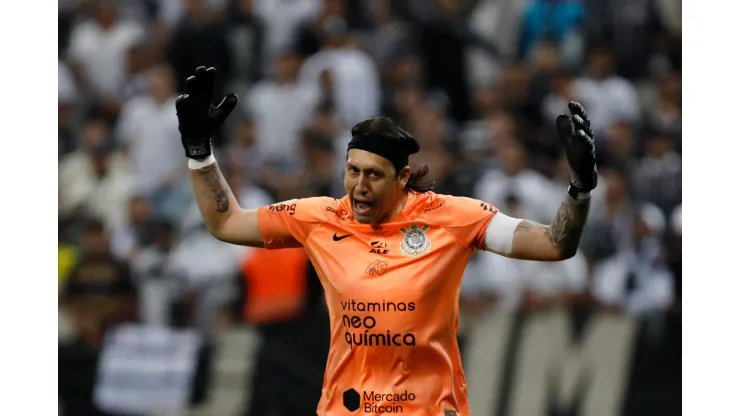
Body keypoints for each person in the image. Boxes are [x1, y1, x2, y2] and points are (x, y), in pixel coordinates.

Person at [175, 66, 598, 416]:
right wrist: (199, 151)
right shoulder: (319, 218)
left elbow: (554, 244)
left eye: (373, 175)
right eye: (352, 171)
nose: (358, 186)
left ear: (403, 179)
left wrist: (579, 187)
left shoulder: (452, 218)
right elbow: (226, 223)